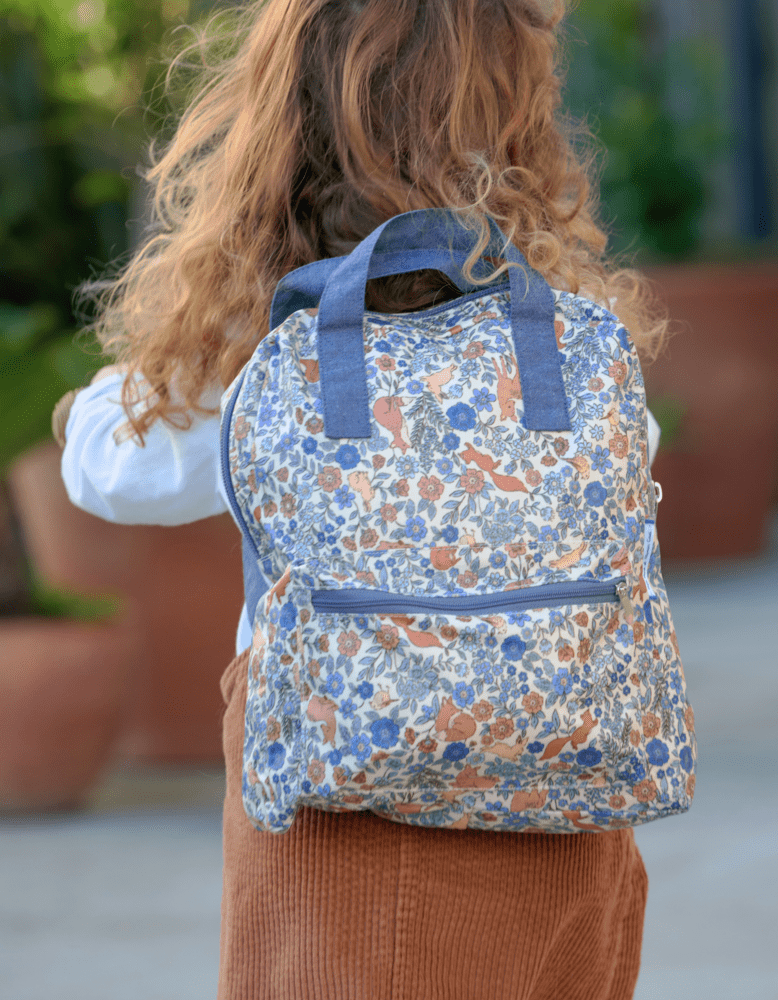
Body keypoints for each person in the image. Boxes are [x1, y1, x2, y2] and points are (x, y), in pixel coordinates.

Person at [57, 2, 670, 997]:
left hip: (355, 850)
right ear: (517, 115)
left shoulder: (272, 366)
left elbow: (111, 468)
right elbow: (631, 460)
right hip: (570, 829)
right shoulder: (563, 351)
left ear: (282, 126)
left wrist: (101, 396)